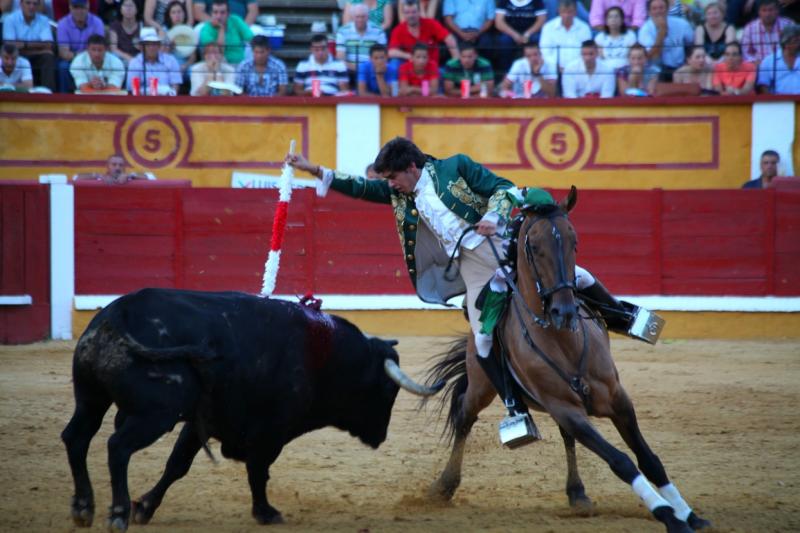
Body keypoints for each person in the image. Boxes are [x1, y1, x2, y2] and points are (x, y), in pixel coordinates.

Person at [285, 137, 659, 441]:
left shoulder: (455, 167)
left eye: (393, 177)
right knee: (482, 340)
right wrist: (314, 169)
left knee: (577, 276)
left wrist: (492, 216)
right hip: (472, 267)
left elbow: (501, 188)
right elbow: (361, 187)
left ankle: (626, 318)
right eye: (388, 180)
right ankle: (515, 410)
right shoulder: (401, 194)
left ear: (411, 168)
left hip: (502, 243)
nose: (390, 185)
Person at [3, 0, 56, 90]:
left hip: (36, 55)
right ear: (21, 4)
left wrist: (23, 45)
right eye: (28, 3)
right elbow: (9, 45)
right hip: (18, 55)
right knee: (11, 55)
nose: (31, 6)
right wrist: (38, 47)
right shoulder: (10, 19)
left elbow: (48, 44)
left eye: (35, 4)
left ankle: (48, 93)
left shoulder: (44, 20)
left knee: (48, 56)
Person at [388, 0, 458, 67]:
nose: (411, 16)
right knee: (394, 63)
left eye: (414, 12)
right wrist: (409, 56)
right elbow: (391, 52)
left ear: (419, 12)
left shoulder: (431, 24)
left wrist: (457, 60)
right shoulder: (398, 30)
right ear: (404, 14)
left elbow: (449, 38)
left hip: (432, 68)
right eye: (407, 12)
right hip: (410, 69)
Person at [638, 0, 694, 81]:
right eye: (654, 8)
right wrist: (662, 32)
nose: (658, 11)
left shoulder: (682, 24)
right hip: (657, 69)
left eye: (661, 8)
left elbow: (692, 44)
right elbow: (651, 56)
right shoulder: (645, 29)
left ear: (668, 9)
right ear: (649, 12)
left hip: (679, 67)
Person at [56, 0, 105, 92]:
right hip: (72, 60)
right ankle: (64, 98)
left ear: (88, 7)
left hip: (94, 60)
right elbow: (64, 53)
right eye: (76, 7)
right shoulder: (63, 24)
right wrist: (83, 56)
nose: (79, 11)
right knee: (63, 66)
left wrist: (82, 55)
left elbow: (99, 49)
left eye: (82, 7)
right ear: (70, 7)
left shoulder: (97, 22)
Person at [336, 3, 386, 86]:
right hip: (350, 70)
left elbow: (383, 55)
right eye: (357, 17)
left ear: (368, 17)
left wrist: (366, 69)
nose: (360, 19)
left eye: (363, 16)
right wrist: (360, 68)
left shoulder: (378, 31)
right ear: (352, 17)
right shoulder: (342, 32)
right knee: (341, 70)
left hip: (372, 69)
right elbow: (340, 58)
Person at [494, 0, 548, 75]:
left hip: (531, 32)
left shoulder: (537, 1)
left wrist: (527, 34)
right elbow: (499, 22)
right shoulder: (504, 1)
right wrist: (514, 35)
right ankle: (505, 73)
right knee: (504, 41)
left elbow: (541, 20)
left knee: (537, 39)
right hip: (510, 33)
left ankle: (537, 71)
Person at [539, 0, 592, 72]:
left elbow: (586, 51)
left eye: (570, 12)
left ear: (575, 12)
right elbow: (545, 52)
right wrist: (556, 67)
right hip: (553, 70)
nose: (567, 15)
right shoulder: (548, 27)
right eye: (564, 12)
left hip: (578, 70)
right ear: (558, 11)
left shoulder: (584, 28)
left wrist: (573, 68)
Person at [126, 26, 182, 93]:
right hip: (142, 101)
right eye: (148, 44)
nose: (151, 47)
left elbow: (175, 86)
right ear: (141, 47)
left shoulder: (171, 60)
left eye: (154, 44)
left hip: (167, 100)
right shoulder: (135, 63)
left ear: (159, 45)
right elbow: (132, 89)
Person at [198, 0, 251, 65]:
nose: (218, 16)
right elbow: (219, 52)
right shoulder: (207, 29)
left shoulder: (235, 20)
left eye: (222, 13)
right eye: (215, 12)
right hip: (218, 65)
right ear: (211, 13)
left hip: (239, 63)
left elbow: (250, 38)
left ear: (228, 14)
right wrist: (221, 29)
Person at [741, 0, 794, 65]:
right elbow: (745, 52)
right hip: (759, 67)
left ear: (777, 11)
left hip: (784, 66)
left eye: (770, 10)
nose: (767, 14)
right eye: (764, 10)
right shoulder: (749, 28)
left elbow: (796, 47)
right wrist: (754, 62)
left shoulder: (788, 25)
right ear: (759, 12)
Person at [757, 23, 800, 94]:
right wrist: (772, 103)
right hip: (778, 103)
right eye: (796, 41)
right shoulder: (768, 61)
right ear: (786, 44)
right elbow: (763, 86)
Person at [594, 6, 638, 71]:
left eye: (616, 17)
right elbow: (599, 59)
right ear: (606, 21)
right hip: (606, 71)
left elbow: (633, 57)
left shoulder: (630, 36)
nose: (613, 19)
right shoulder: (600, 38)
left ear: (622, 20)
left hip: (625, 70)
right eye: (610, 17)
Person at [74, 154, 152, 183]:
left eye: (121, 165)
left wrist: (130, 176)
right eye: (114, 165)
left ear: (124, 167)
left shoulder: (130, 178)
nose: (117, 167)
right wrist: (99, 176)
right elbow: (76, 178)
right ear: (108, 166)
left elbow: (151, 177)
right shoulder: (100, 178)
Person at [109, 0, 142, 65]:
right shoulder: (115, 26)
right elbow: (114, 49)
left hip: (139, 60)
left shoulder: (142, 26)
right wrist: (130, 58)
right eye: (125, 5)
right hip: (120, 60)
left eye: (131, 6)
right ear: (120, 9)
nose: (128, 8)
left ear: (137, 9)